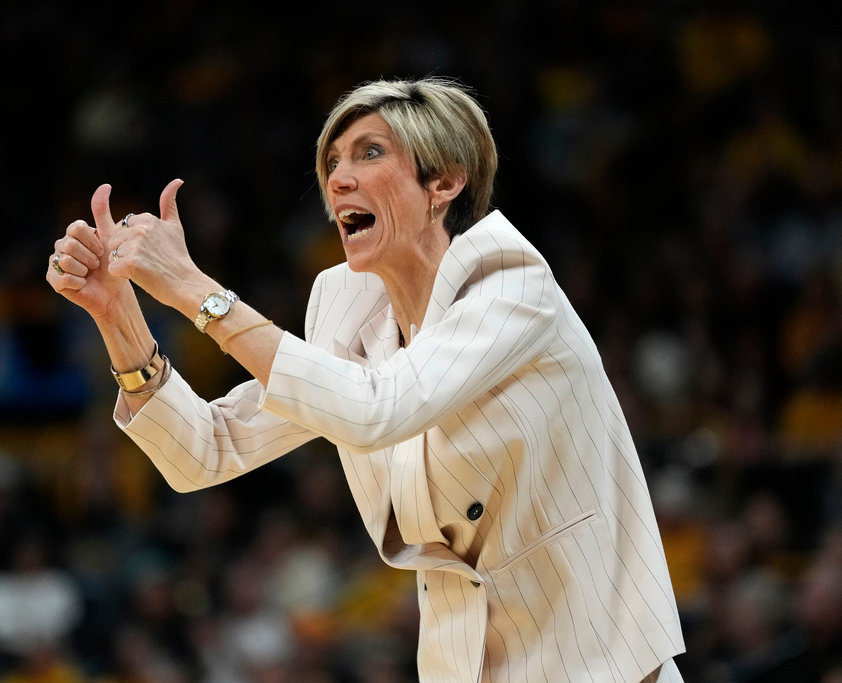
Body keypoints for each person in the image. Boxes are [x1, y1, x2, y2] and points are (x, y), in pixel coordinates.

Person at [47, 77, 686, 683]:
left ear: (444, 181)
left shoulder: (512, 284)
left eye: (369, 153)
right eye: (332, 161)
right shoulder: (348, 307)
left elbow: (375, 411)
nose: (339, 177)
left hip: (601, 664)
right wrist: (117, 313)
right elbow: (205, 452)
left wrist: (190, 287)